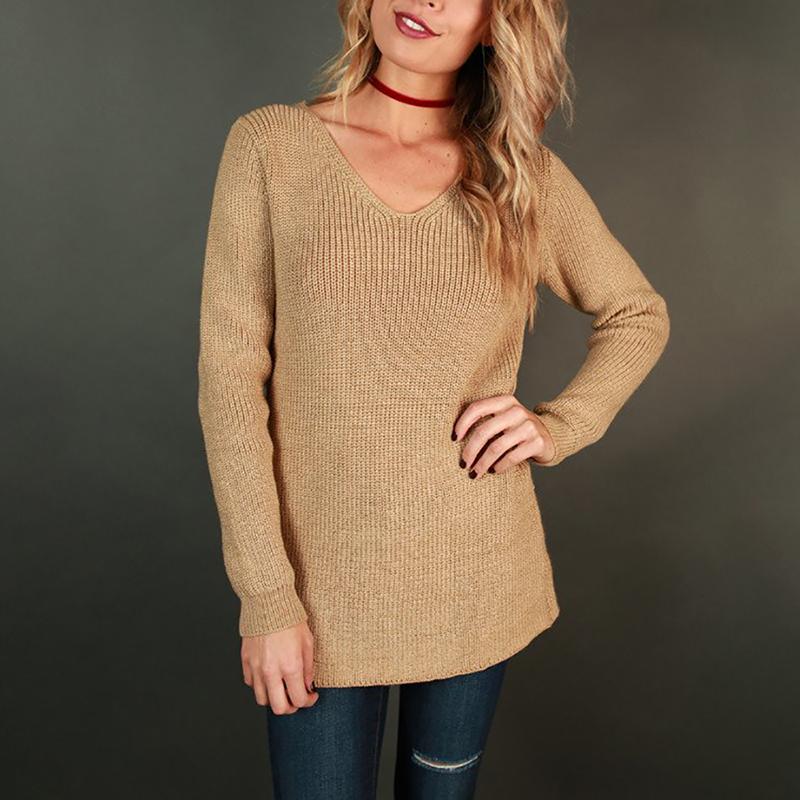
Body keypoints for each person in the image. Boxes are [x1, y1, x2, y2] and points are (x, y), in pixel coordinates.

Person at [197, 1, 670, 797]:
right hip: (319, 594)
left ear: (494, 22)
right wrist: (268, 598)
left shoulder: (520, 176)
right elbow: (230, 385)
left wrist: (557, 426)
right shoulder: (272, 146)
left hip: (475, 580)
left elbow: (636, 313)